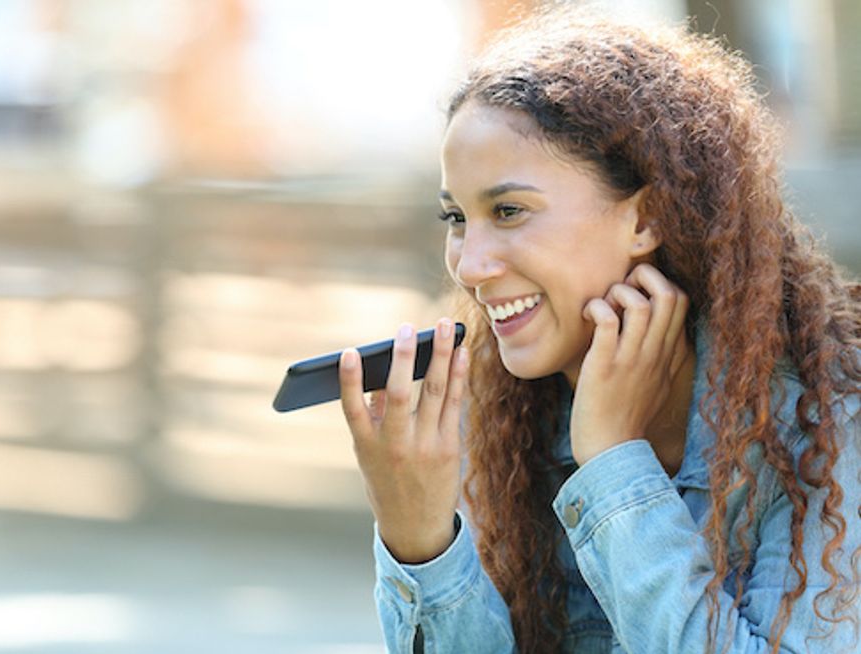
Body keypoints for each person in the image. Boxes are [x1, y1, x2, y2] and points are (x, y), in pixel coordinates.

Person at [335, 6, 861, 654]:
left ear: (646, 219)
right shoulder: (503, 419)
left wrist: (612, 462)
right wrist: (420, 542)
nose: (469, 266)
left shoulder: (825, 424)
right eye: (457, 218)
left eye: (509, 210)